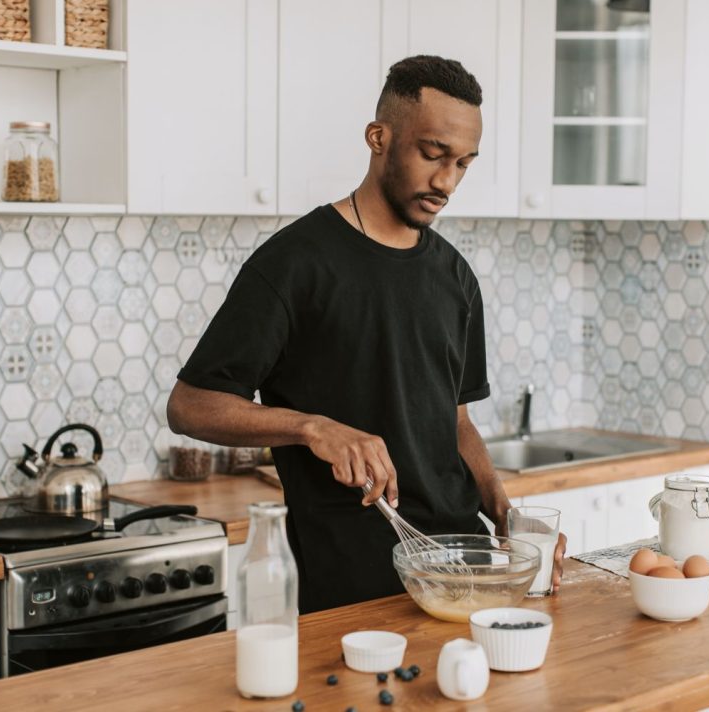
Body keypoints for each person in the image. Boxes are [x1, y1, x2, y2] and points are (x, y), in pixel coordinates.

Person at [167, 55, 566, 613]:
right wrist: (312, 428)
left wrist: (504, 511)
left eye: (463, 164)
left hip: (460, 567)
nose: (446, 181)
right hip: (349, 582)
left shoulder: (455, 276)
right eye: (432, 154)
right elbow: (190, 406)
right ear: (378, 137)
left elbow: (456, 423)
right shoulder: (293, 264)